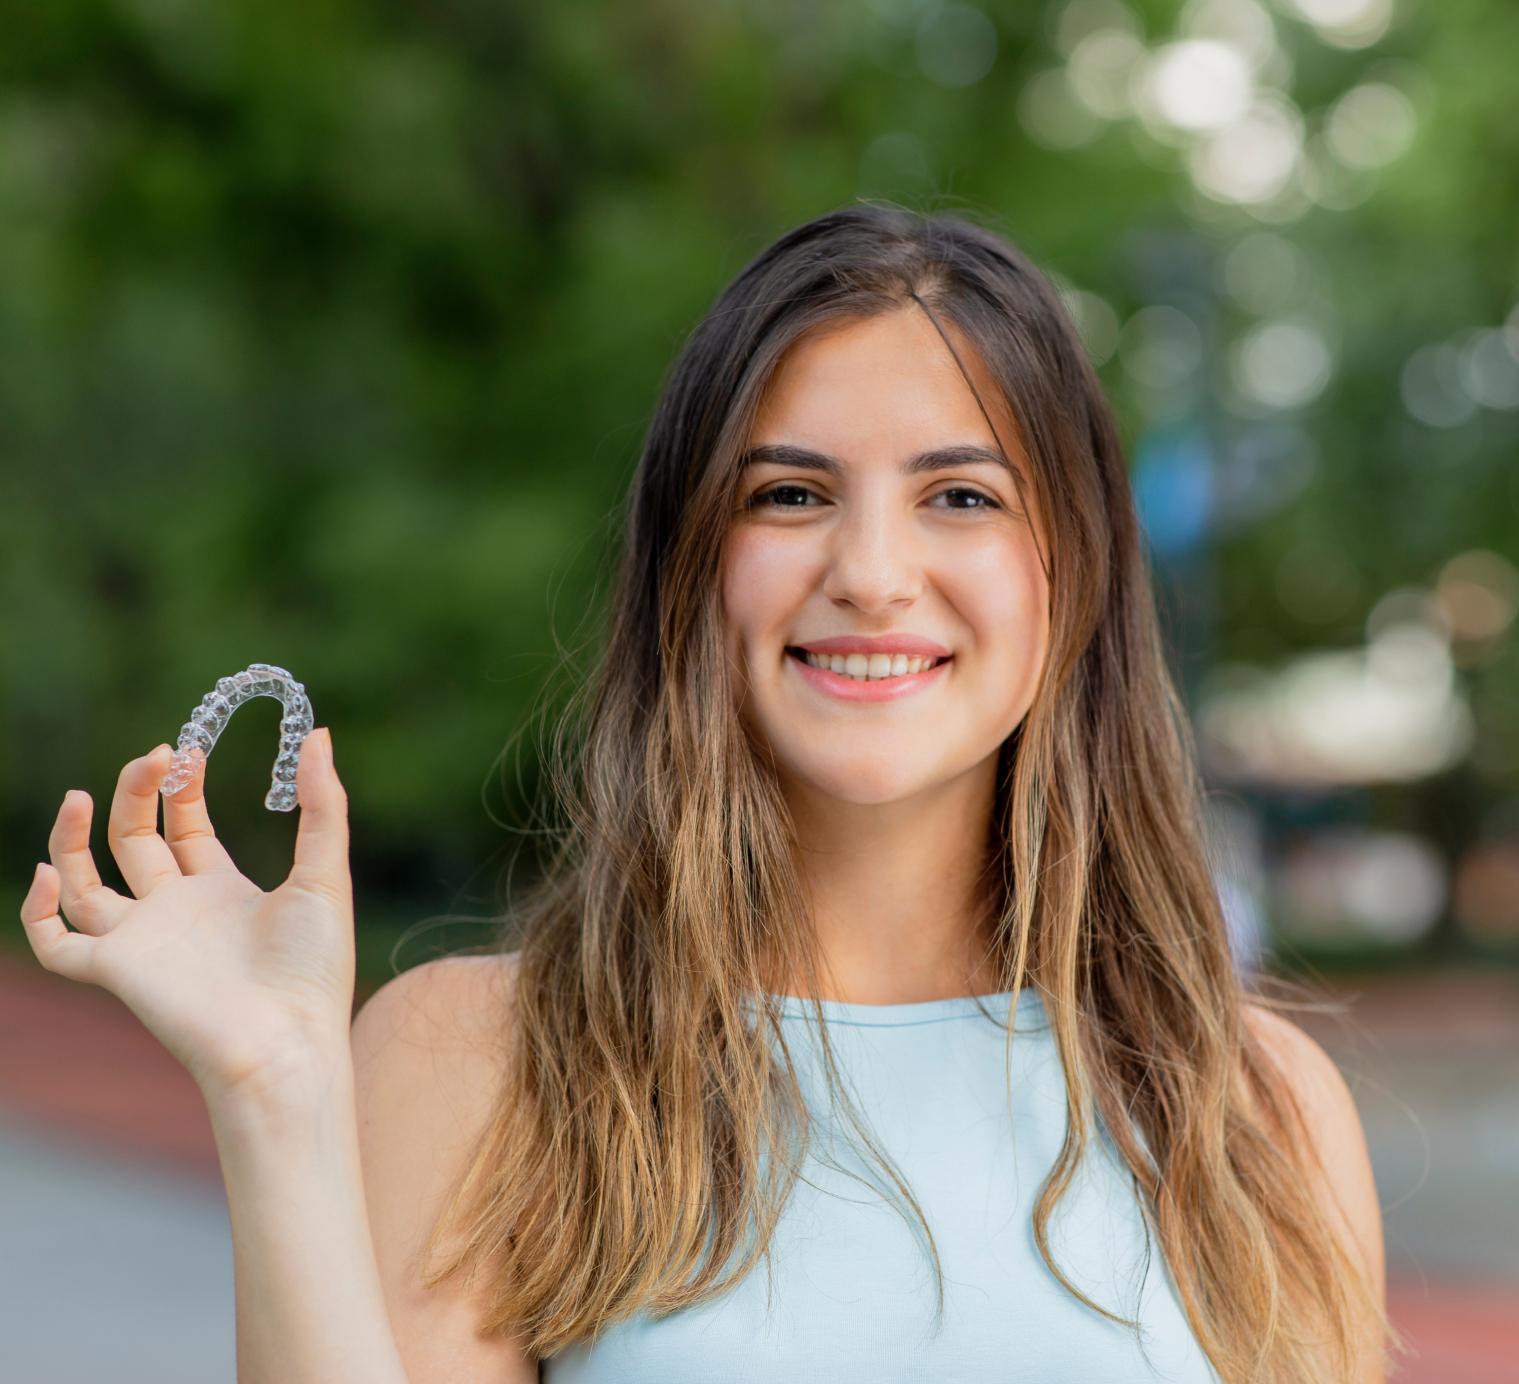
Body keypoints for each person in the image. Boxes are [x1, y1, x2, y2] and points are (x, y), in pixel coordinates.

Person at [19, 202, 1400, 1382]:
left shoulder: (1255, 1107)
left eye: (961, 498)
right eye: (790, 494)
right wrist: (276, 1093)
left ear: (1073, 574)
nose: (869, 570)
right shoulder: (481, 1058)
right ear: (692, 569)